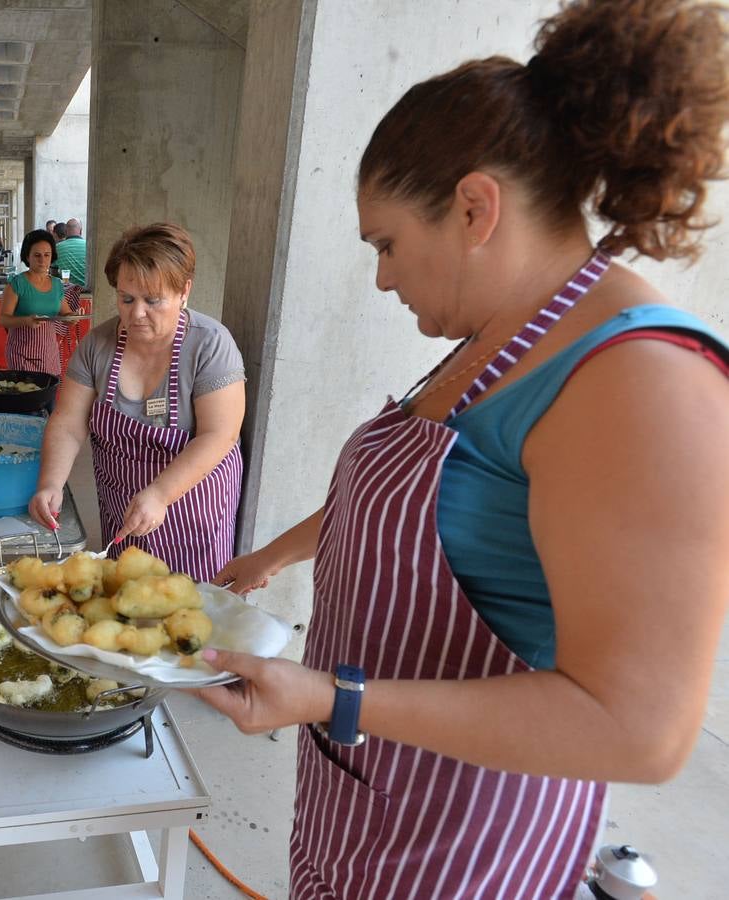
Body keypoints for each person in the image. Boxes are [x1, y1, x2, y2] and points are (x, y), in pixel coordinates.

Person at [199, 2, 729, 896]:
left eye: (388, 244)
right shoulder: (491, 339)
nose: (381, 276)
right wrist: (267, 557)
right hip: (364, 800)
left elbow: (639, 729)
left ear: (475, 207)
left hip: (464, 848)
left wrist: (337, 697)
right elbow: (419, 503)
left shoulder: (639, 377)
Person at [28, 223, 246, 579]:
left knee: (189, 610)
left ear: (184, 291)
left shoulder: (210, 345)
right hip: (123, 505)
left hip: (191, 509)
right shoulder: (97, 346)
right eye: (127, 299)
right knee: (126, 601)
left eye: (152, 300)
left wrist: (161, 494)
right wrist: (51, 484)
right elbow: (68, 422)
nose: (137, 313)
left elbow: (219, 435)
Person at [0, 228, 75, 376]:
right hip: (21, 355)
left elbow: (65, 313)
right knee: (27, 395)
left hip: (49, 354)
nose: (43, 260)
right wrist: (26, 320)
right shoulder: (17, 283)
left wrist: (72, 318)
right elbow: (3, 319)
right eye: (37, 255)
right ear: (27, 256)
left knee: (48, 397)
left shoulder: (57, 284)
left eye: (47, 255)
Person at [58, 218, 88, 288]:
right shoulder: (89, 246)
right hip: (87, 291)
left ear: (65, 231)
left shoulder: (57, 247)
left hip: (67, 292)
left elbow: (53, 273)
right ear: (81, 231)